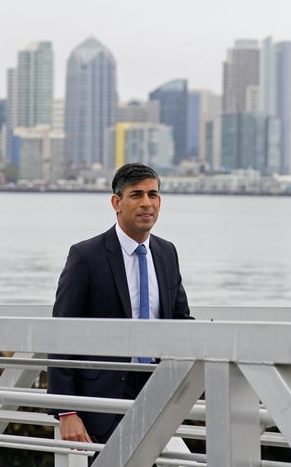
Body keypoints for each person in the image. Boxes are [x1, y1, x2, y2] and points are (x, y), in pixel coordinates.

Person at [47, 162, 192, 445]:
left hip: (156, 389)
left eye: (153, 194)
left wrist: (213, 344)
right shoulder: (86, 256)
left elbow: (179, 318)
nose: (146, 203)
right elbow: (61, 332)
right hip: (104, 398)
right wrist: (67, 410)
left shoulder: (167, 252)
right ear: (117, 202)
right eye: (136, 195)